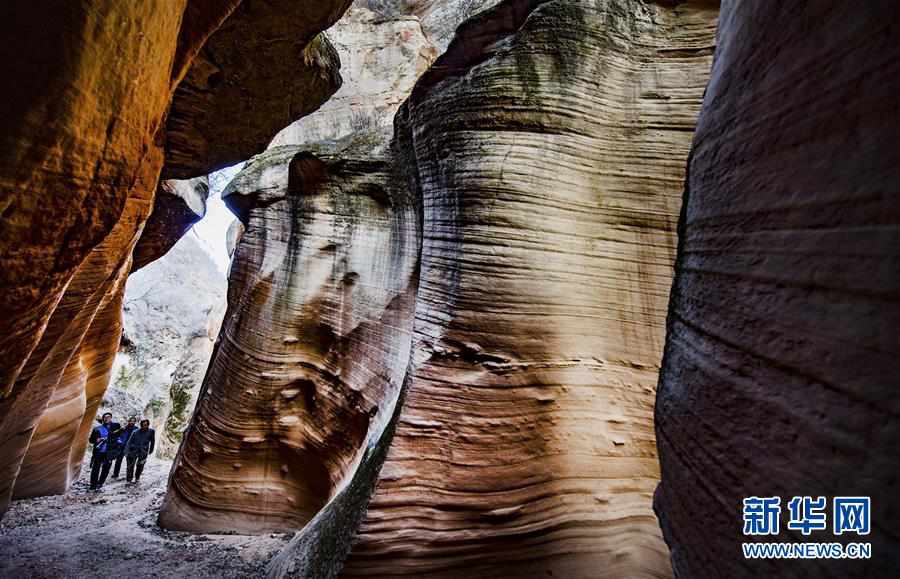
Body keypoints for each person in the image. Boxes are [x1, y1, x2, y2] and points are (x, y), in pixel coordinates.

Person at [88, 412, 122, 491]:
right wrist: (97, 440)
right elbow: (91, 440)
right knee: (95, 468)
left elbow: (119, 436)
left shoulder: (115, 427)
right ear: (103, 419)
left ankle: (100, 483)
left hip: (109, 452)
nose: (107, 418)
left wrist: (118, 445)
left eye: (109, 417)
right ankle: (93, 485)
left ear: (111, 418)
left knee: (106, 468)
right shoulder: (97, 429)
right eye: (105, 417)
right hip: (99, 452)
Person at [124, 419, 156, 483]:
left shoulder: (151, 431)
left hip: (143, 451)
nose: (145, 425)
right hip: (133, 450)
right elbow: (129, 442)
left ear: (148, 424)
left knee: (140, 465)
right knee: (130, 466)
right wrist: (126, 452)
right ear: (141, 425)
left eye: (146, 424)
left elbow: (152, 441)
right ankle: (129, 479)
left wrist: (151, 450)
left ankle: (137, 477)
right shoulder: (135, 432)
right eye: (143, 424)